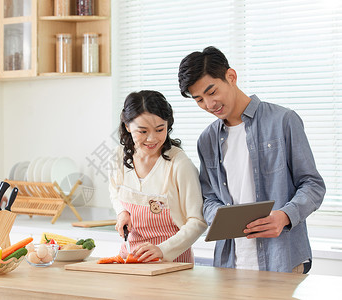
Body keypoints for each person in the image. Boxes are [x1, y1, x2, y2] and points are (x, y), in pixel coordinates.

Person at [177, 46, 326, 273]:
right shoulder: (206, 140)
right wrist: (217, 216)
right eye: (199, 99)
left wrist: (285, 216)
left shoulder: (283, 121)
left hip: (283, 259)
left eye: (212, 92)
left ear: (231, 77)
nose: (209, 105)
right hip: (230, 264)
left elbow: (313, 185)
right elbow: (208, 198)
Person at [108, 90, 207, 263]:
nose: (152, 138)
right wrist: (122, 212)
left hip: (171, 263)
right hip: (130, 260)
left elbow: (197, 221)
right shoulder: (118, 157)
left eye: (160, 129)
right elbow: (115, 193)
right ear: (127, 126)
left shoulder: (179, 164)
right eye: (143, 131)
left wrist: (162, 250)